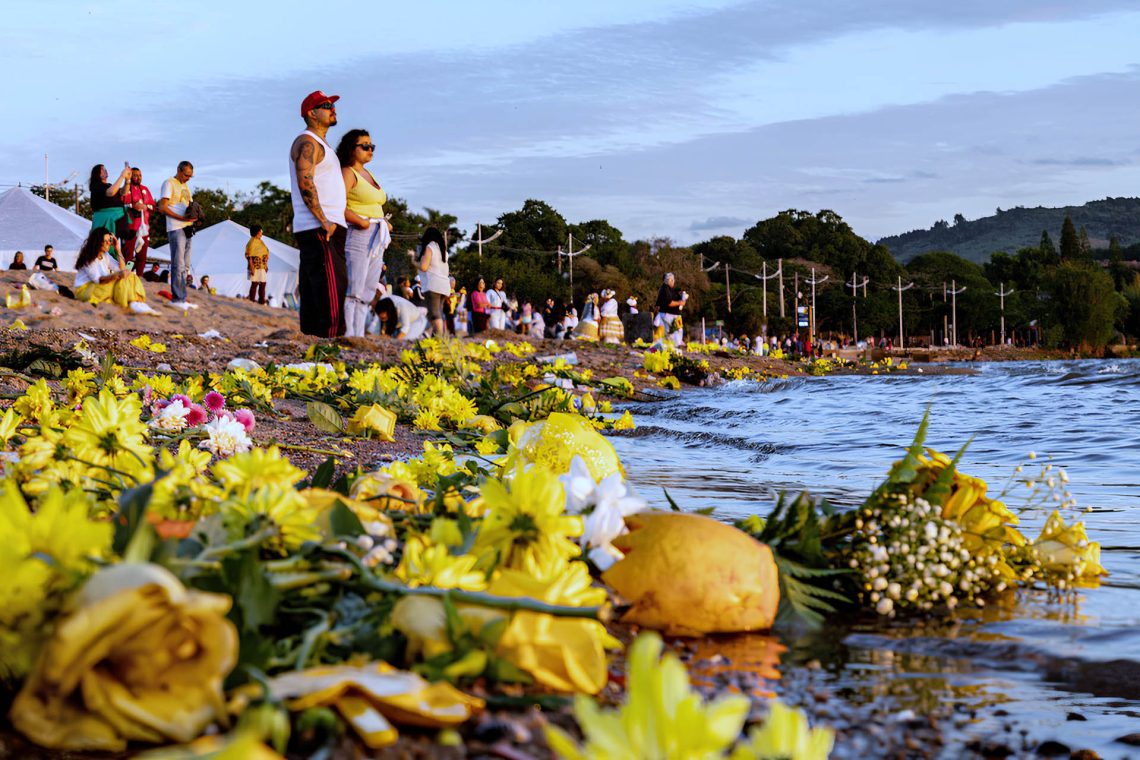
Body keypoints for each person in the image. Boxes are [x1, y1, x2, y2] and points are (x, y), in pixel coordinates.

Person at [290, 90, 348, 338]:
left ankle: (313, 341)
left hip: (322, 225)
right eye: (326, 105)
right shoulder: (308, 142)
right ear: (311, 113)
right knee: (331, 287)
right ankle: (331, 340)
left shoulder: (319, 144)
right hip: (320, 226)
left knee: (318, 287)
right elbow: (306, 181)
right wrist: (323, 220)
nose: (332, 109)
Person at [337, 128, 391, 337]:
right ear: (352, 148)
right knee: (355, 286)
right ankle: (348, 333)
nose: (370, 150)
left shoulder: (368, 173)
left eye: (372, 146)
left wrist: (383, 223)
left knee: (368, 288)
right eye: (365, 146)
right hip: (359, 232)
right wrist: (360, 220)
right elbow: (337, 205)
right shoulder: (348, 172)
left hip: (377, 233)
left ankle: (358, 335)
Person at [73, 229, 155, 313]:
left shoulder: (105, 255)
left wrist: (117, 248)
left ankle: (138, 302)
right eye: (105, 241)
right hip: (86, 290)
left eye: (109, 240)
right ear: (97, 242)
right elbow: (99, 280)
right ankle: (132, 302)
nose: (108, 243)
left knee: (131, 276)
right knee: (120, 281)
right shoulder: (89, 257)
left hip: (100, 286)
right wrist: (117, 275)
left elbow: (122, 268)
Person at [159, 161, 198, 310]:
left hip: (188, 227)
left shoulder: (185, 186)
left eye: (190, 176)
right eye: (186, 175)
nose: (188, 178)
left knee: (186, 265)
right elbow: (162, 207)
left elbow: (189, 206)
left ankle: (182, 296)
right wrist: (181, 218)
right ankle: (177, 298)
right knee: (178, 263)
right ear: (179, 170)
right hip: (176, 227)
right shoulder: (169, 183)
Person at [416, 227, 450, 337]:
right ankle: (429, 334)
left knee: (435, 314)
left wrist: (414, 262)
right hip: (444, 285)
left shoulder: (429, 247)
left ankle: (439, 338)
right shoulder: (443, 251)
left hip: (433, 284)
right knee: (436, 313)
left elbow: (424, 267)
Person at [122, 167, 155, 274]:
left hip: (144, 228)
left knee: (141, 256)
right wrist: (133, 206)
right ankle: (127, 274)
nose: (138, 177)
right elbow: (122, 203)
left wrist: (146, 206)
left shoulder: (145, 189)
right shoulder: (126, 188)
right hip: (130, 228)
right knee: (129, 256)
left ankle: (139, 277)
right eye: (135, 175)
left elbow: (154, 207)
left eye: (140, 175)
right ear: (130, 176)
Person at [88, 163, 130, 235]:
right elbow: (111, 192)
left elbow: (124, 192)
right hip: (105, 219)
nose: (105, 170)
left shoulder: (109, 185)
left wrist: (127, 180)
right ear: (97, 173)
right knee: (105, 242)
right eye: (102, 169)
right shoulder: (96, 186)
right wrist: (122, 176)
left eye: (105, 169)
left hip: (117, 218)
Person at [654, 272, 687, 346]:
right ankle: (675, 345)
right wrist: (680, 303)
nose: (673, 281)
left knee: (674, 331)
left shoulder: (669, 289)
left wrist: (681, 295)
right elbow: (669, 303)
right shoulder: (665, 289)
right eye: (672, 280)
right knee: (676, 331)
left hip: (673, 315)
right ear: (668, 280)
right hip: (669, 314)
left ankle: (672, 345)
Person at [245, 224, 270, 304]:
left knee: (263, 284)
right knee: (255, 283)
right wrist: (252, 267)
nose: (261, 233)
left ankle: (261, 301)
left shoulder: (261, 241)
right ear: (257, 232)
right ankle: (251, 301)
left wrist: (266, 264)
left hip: (262, 265)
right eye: (260, 231)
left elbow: (265, 252)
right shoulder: (251, 242)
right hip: (254, 266)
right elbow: (249, 255)